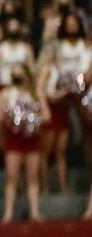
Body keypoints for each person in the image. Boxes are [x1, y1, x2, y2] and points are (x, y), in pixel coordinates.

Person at [38, 12, 89, 195]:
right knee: (47, 151)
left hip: (68, 104)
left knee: (60, 151)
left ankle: (62, 186)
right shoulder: (48, 67)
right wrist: (56, 96)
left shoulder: (84, 47)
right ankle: (44, 186)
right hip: (53, 108)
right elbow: (41, 90)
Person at [0, 66, 46, 223]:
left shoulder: (36, 92)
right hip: (14, 140)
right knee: (12, 178)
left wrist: (32, 121)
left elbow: (46, 115)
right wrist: (9, 116)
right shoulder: (6, 93)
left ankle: (35, 212)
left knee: (33, 177)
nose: (17, 76)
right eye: (14, 73)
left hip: (32, 139)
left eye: (20, 73)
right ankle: (8, 214)